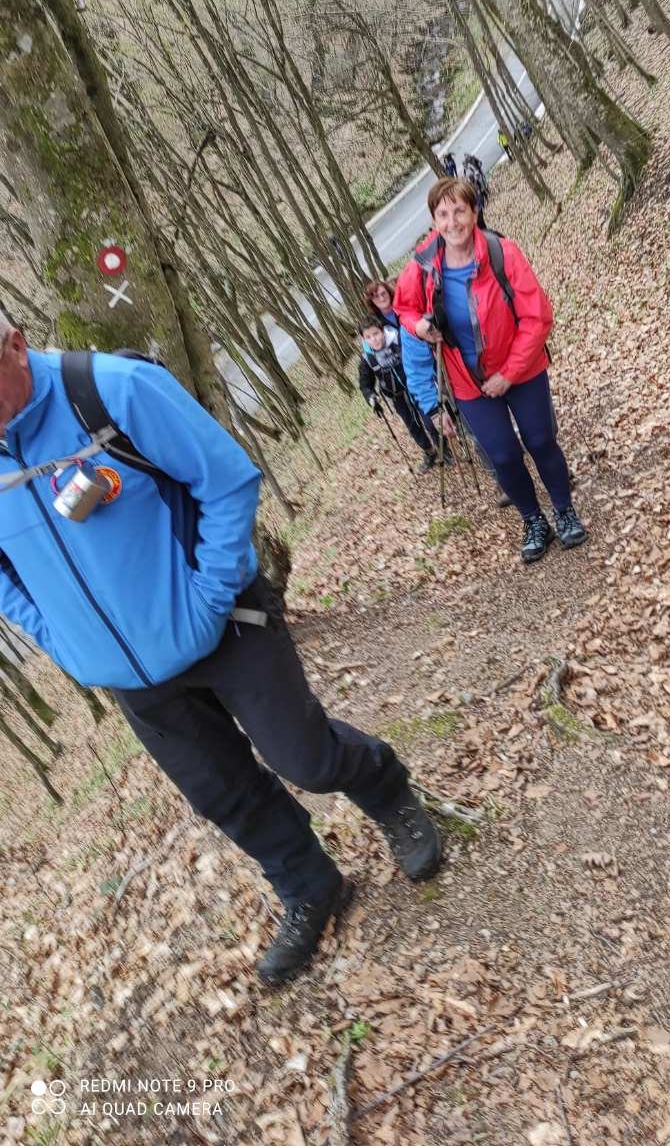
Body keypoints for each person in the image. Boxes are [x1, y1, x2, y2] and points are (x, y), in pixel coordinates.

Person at [0, 313, 442, 984]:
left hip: (225, 622)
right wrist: (63, 640)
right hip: (129, 675)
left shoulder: (111, 390)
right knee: (223, 794)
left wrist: (208, 595)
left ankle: (389, 792)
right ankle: (310, 885)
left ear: (16, 344)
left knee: (306, 757)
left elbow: (228, 479)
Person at [394, 179, 587, 564]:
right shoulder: (423, 267)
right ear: (434, 221)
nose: (453, 222)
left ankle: (564, 510)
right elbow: (404, 309)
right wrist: (419, 327)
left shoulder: (502, 252)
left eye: (460, 211)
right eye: (443, 214)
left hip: (523, 368)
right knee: (502, 455)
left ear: (475, 211)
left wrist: (509, 374)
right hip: (468, 383)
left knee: (541, 440)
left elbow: (537, 317)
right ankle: (534, 520)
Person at [358, 317, 439, 473]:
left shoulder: (398, 340)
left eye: (376, 334)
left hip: (415, 387)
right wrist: (371, 397)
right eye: (368, 337)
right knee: (412, 425)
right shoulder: (367, 358)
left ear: (382, 331)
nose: (374, 339)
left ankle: (443, 448)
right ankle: (429, 452)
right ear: (364, 339)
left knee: (429, 418)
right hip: (396, 396)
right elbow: (365, 383)